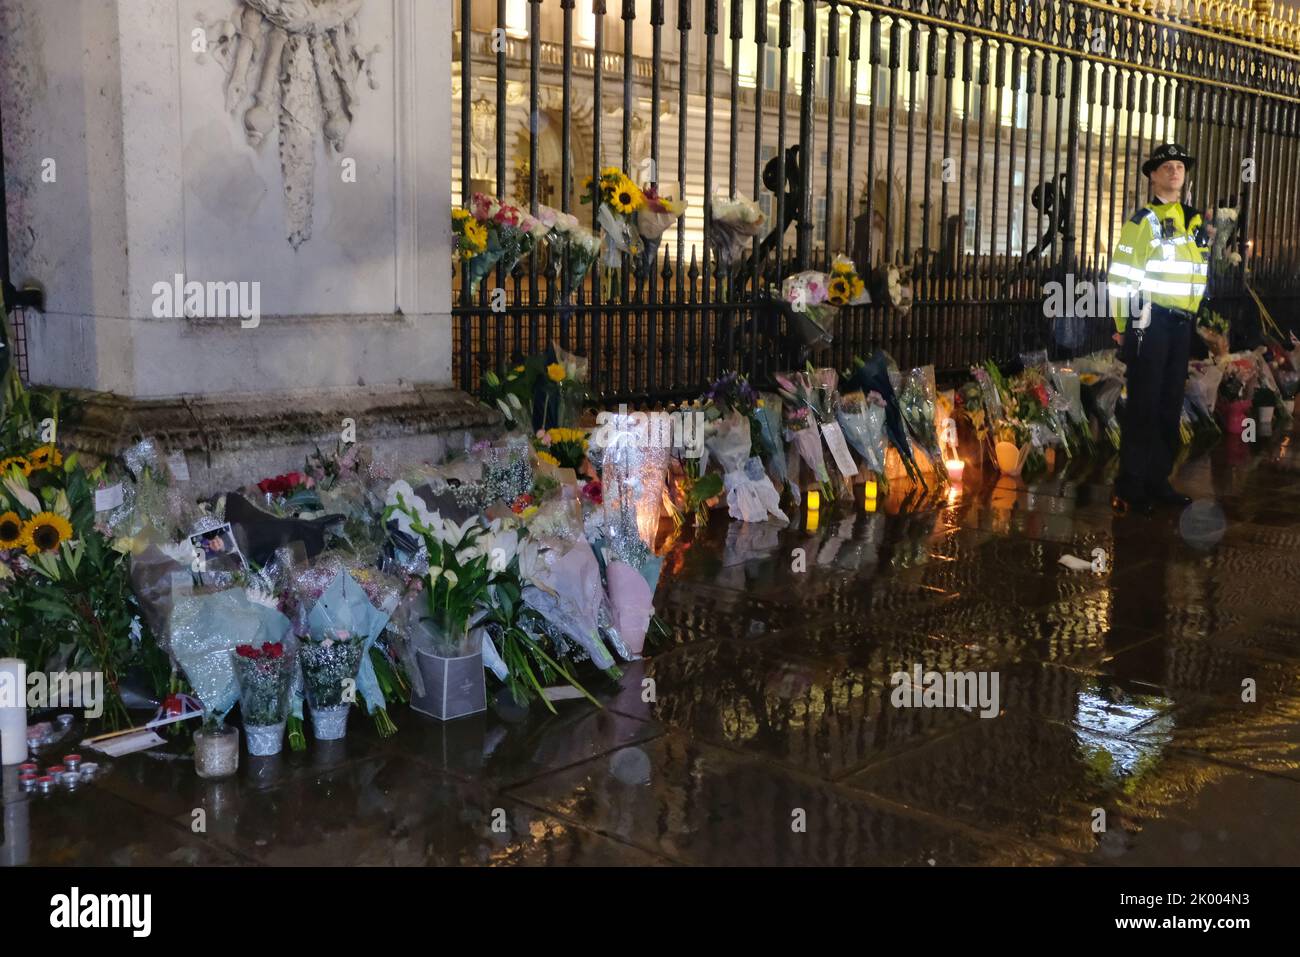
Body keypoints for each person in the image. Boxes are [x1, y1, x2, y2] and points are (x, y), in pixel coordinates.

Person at [1105, 143, 1215, 515]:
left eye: (1179, 166)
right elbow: (1121, 278)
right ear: (1152, 176)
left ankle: (1158, 480)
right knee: (1144, 405)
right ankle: (1130, 485)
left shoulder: (1195, 221)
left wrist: (1195, 319)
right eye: (1165, 166)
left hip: (1181, 325)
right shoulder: (1142, 222)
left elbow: (1198, 273)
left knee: (1169, 405)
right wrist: (1124, 326)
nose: (1173, 171)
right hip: (1149, 322)